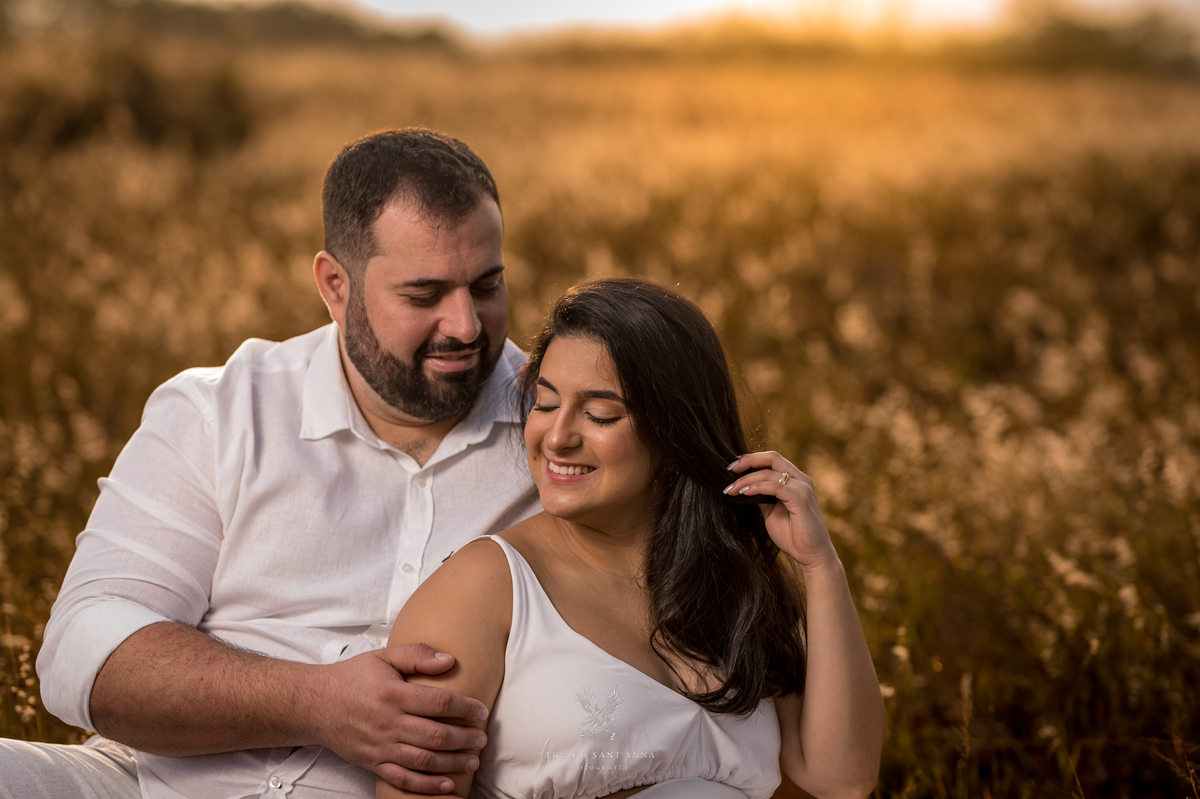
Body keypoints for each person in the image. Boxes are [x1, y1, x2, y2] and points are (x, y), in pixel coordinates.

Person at [0, 128, 541, 798]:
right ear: (335, 286)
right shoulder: (218, 411)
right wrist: (315, 701)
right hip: (145, 786)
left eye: (486, 285)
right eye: (425, 294)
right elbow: (83, 651)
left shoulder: (570, 432)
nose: (465, 324)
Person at [379, 278, 886, 799]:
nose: (557, 438)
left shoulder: (739, 581)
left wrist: (820, 567)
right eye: (546, 404)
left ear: (674, 432)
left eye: (600, 414)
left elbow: (840, 780)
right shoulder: (481, 590)